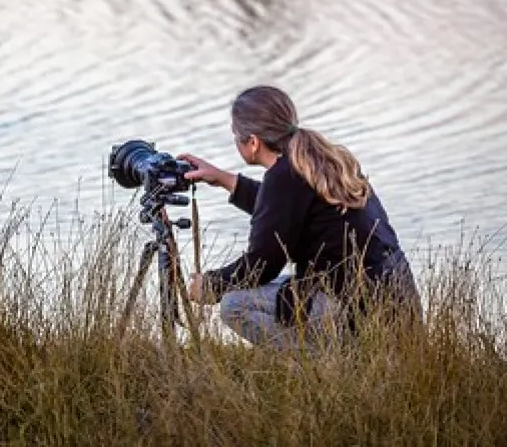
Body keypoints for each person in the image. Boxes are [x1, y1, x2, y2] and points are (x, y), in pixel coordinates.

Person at [178, 85, 422, 351]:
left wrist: (212, 285)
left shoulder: (284, 177)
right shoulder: (325, 158)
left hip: (361, 313)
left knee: (234, 305)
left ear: (253, 142)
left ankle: (329, 365)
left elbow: (262, 263)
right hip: (397, 304)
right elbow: (286, 210)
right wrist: (226, 180)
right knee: (276, 289)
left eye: (236, 135)